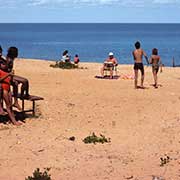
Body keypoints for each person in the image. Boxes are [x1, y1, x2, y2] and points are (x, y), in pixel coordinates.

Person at [0, 57, 22, 126]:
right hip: (4, 89)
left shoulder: (6, 71)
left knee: (10, 105)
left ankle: (12, 119)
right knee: (8, 106)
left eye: (5, 64)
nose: (4, 65)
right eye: (3, 64)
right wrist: (8, 75)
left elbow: (9, 80)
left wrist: (12, 77)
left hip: (8, 88)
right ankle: (14, 121)